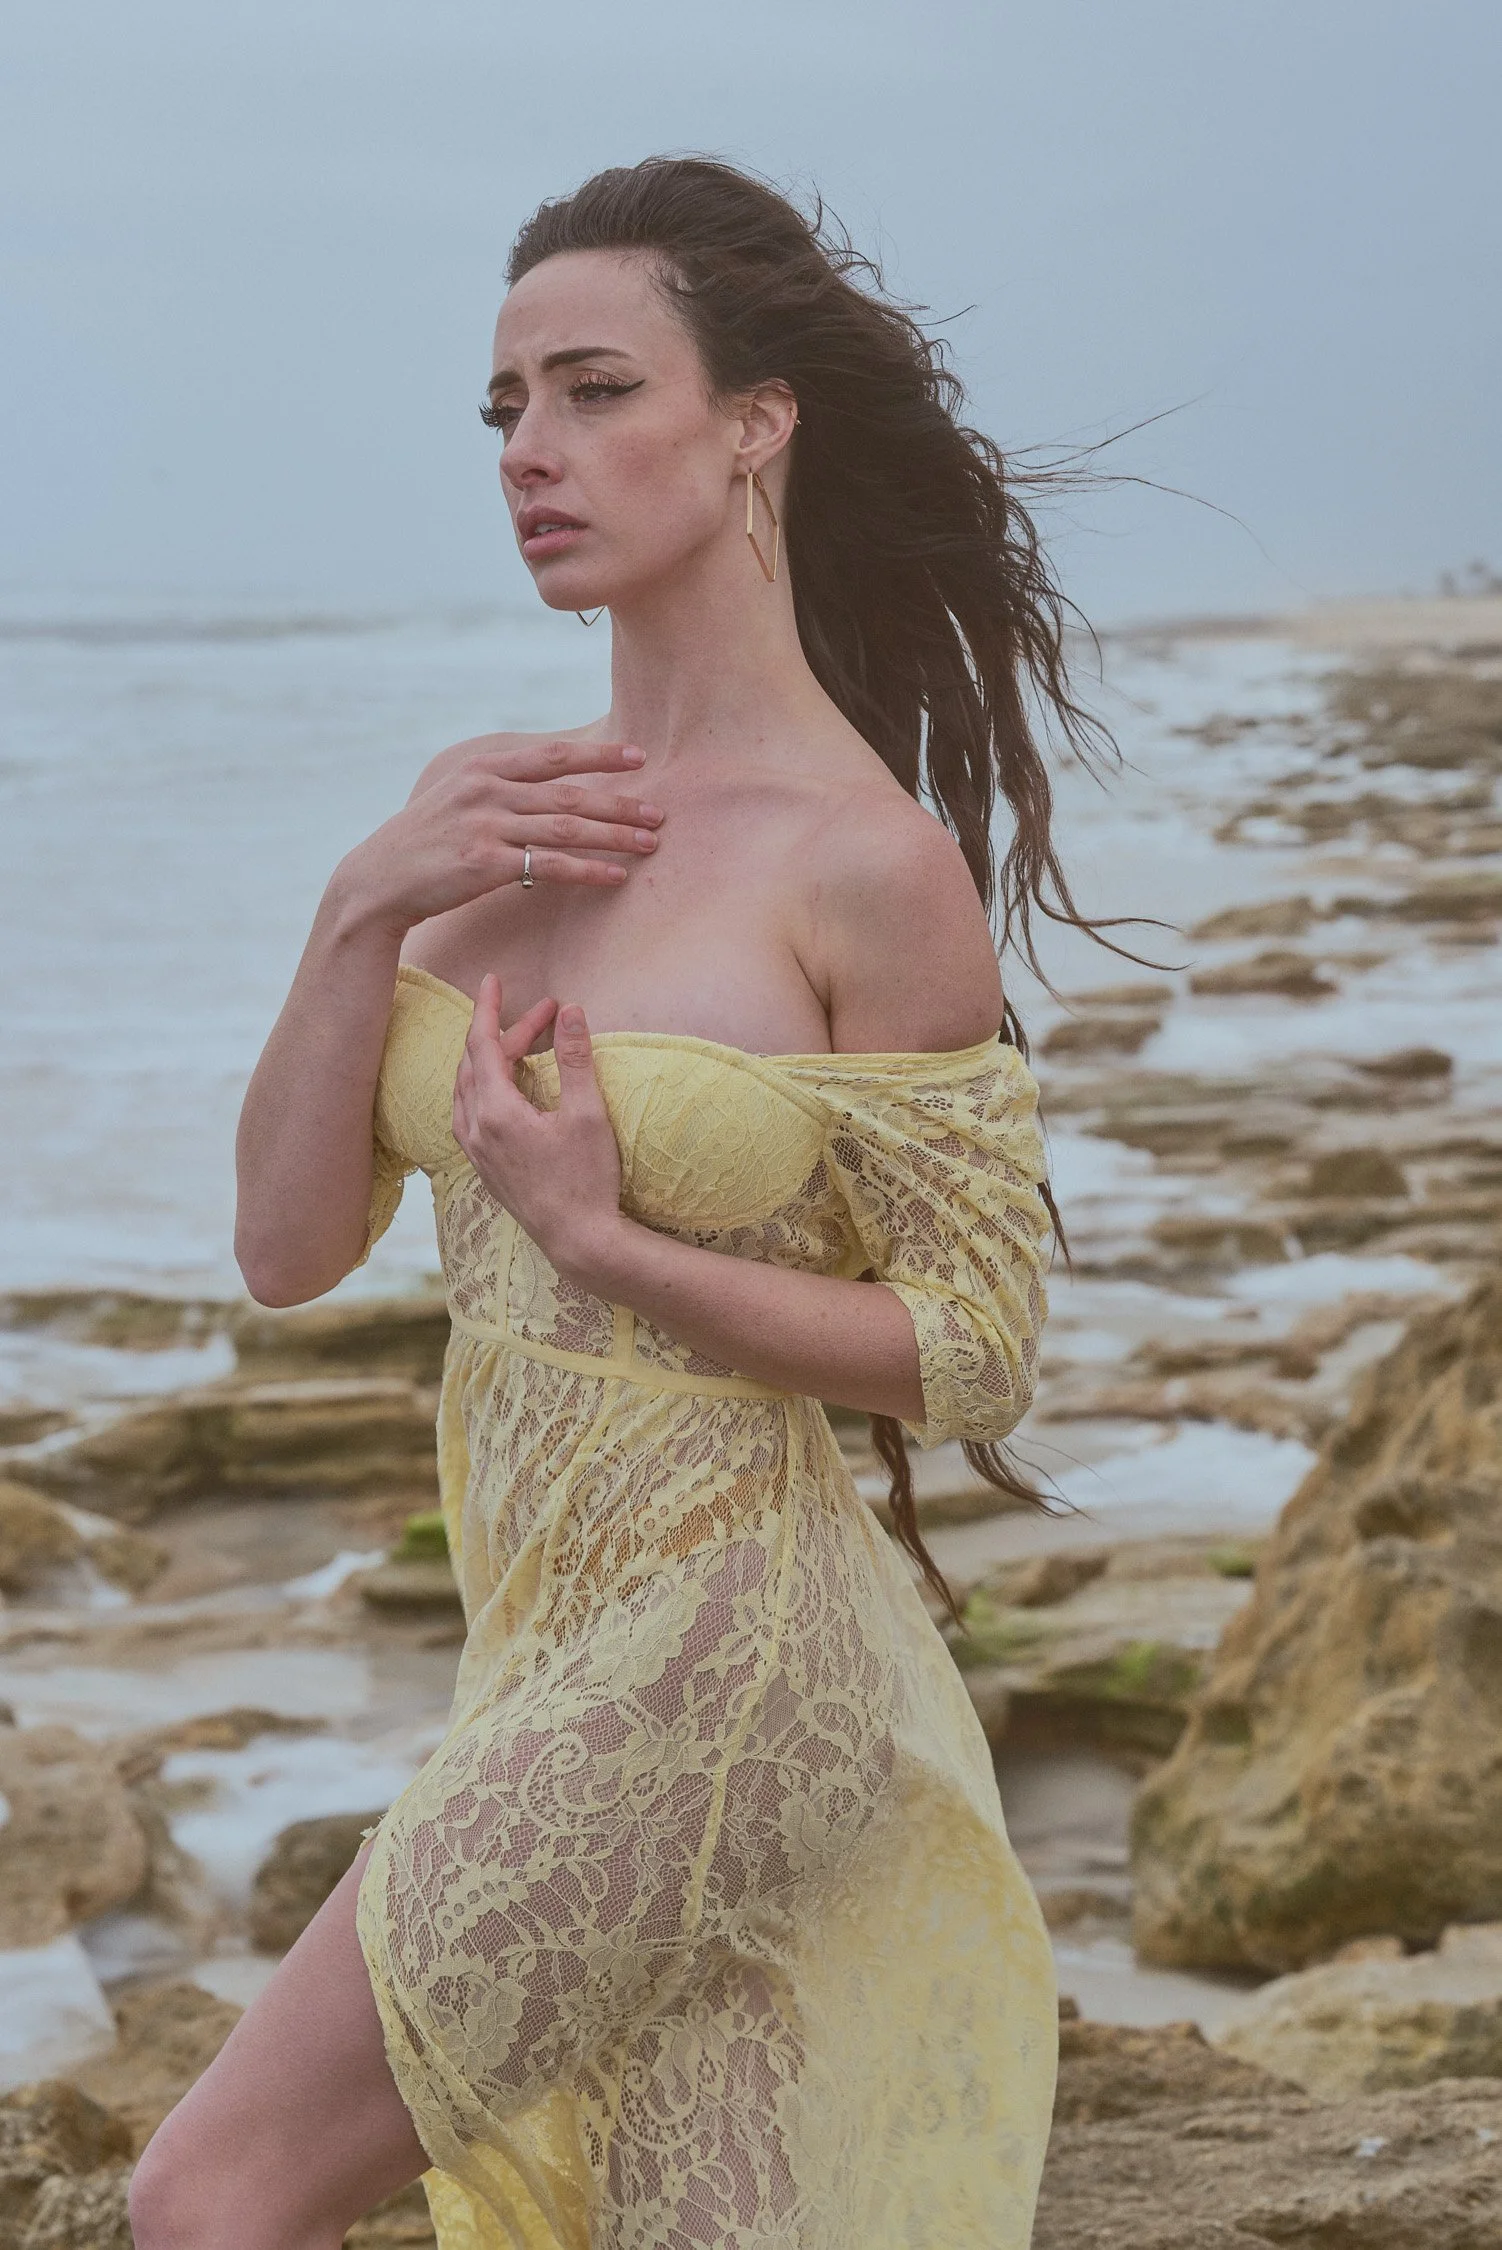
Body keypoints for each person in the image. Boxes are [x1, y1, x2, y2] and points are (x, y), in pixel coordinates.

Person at [130, 155, 1107, 2250]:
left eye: (591, 390)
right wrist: (355, 909)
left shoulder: (865, 865)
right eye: (502, 409)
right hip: (542, 1632)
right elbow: (288, 1254)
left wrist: (604, 1239)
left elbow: (975, 1349)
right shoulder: (487, 827)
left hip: (737, 1648)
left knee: (209, 2195)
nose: (531, 455)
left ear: (753, 424)